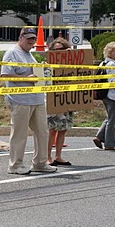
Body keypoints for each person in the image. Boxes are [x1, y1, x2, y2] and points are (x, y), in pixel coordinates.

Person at [0, 27, 57, 175]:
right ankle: (15, 165)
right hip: (20, 99)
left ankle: (40, 163)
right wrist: (26, 78)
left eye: (33, 39)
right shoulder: (12, 53)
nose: (31, 42)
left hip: (36, 98)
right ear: (21, 37)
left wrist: (42, 70)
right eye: (29, 39)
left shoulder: (29, 54)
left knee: (42, 131)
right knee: (19, 133)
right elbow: (5, 75)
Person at [46, 38, 73, 166]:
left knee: (63, 129)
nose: (59, 52)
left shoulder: (71, 64)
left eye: (62, 49)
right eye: (56, 50)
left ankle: (58, 156)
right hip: (53, 99)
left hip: (67, 100)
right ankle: (47, 157)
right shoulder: (48, 64)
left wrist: (71, 54)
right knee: (52, 129)